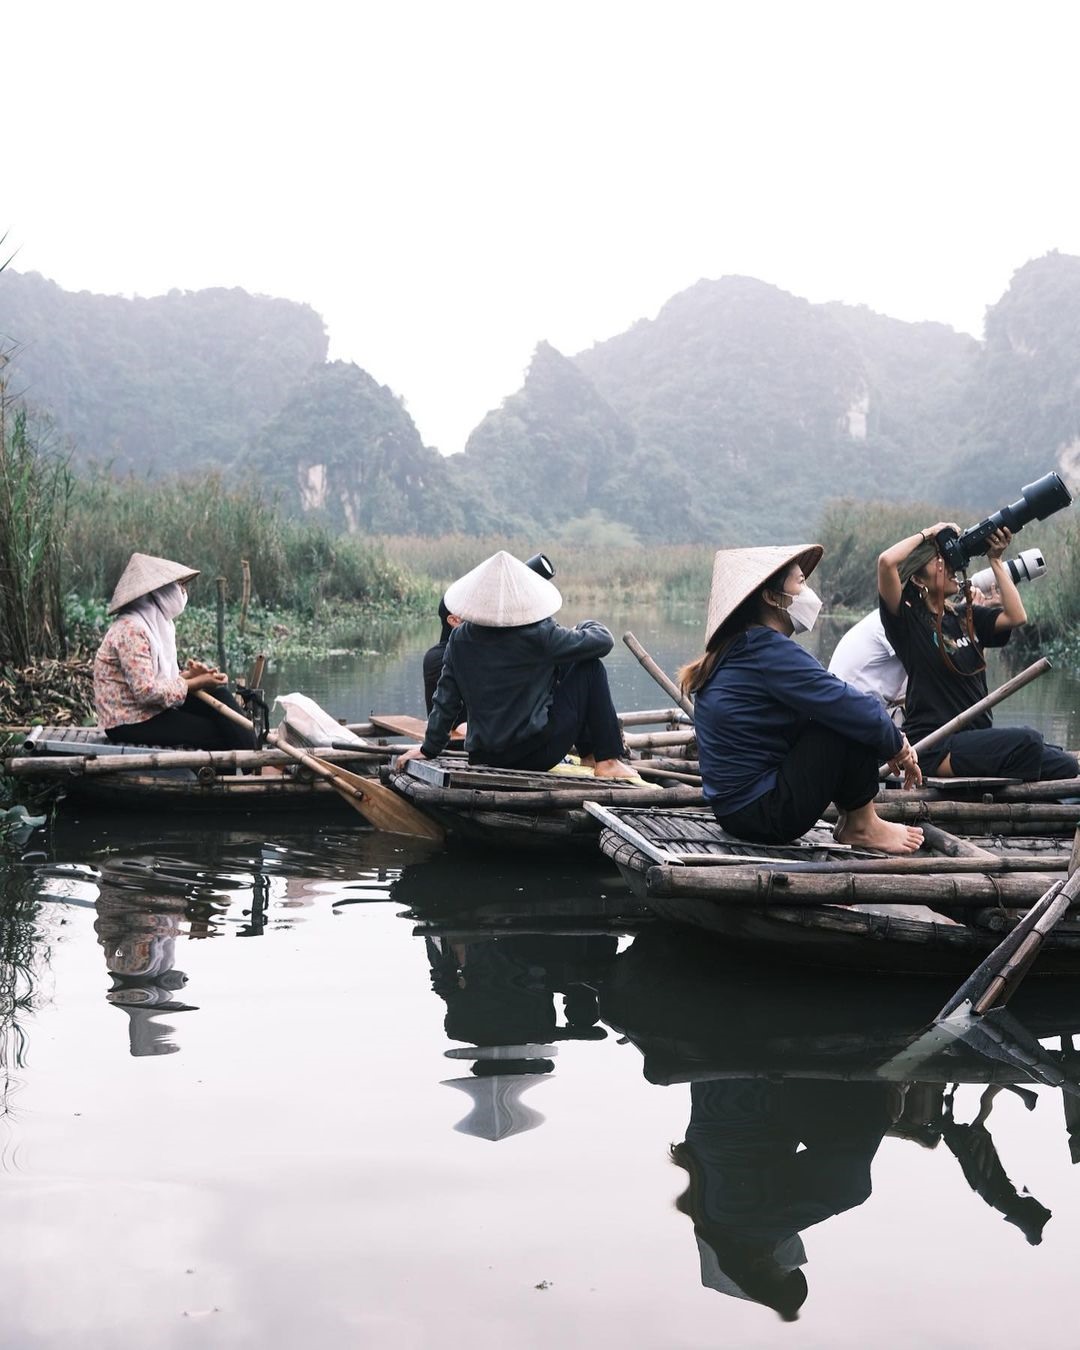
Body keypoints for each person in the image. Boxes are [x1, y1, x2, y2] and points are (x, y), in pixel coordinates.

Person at [679, 544, 924, 853]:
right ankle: (862, 824)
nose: (808, 592)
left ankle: (857, 821)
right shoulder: (766, 650)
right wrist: (897, 745)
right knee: (849, 716)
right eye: (801, 582)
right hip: (762, 814)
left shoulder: (744, 646)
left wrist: (883, 738)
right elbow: (847, 704)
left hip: (738, 812)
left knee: (847, 713)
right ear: (771, 597)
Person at [395, 550, 640, 779]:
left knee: (567, 663)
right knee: (589, 668)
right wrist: (585, 624)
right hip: (534, 755)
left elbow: (445, 701)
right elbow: (603, 641)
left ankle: (588, 756)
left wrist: (428, 749)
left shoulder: (459, 639)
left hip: (484, 757)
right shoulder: (539, 634)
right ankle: (606, 760)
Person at [878, 523, 1077, 781]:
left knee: (1066, 766)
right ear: (917, 578)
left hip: (976, 741)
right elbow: (886, 562)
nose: (950, 567)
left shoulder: (964, 616)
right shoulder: (908, 622)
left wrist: (996, 560)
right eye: (938, 562)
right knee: (1027, 740)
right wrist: (933, 532)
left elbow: (1017, 616)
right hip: (934, 746)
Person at [93, 552, 256, 750]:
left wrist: (191, 676)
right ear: (158, 592)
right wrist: (196, 682)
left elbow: (158, 680)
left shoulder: (157, 624)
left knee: (219, 695)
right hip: (129, 720)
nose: (183, 592)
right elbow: (146, 692)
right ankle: (241, 768)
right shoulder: (131, 630)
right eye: (178, 586)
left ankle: (253, 757)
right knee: (215, 733)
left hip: (152, 710)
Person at [827, 608, 908, 722]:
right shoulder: (893, 622)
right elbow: (926, 673)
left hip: (855, 706)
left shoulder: (882, 616)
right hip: (853, 711)